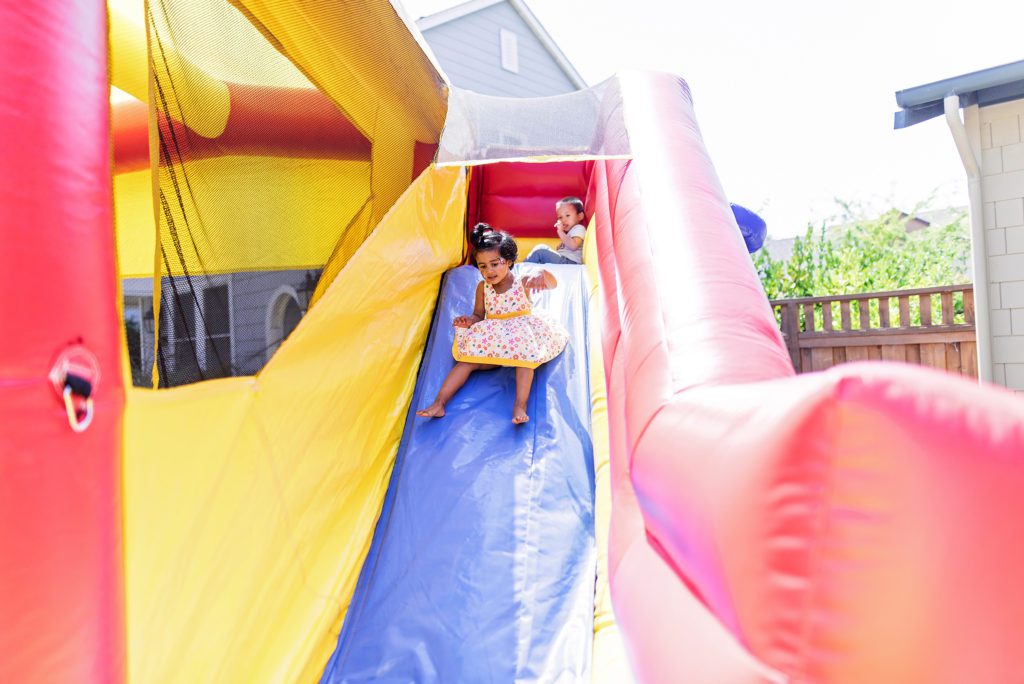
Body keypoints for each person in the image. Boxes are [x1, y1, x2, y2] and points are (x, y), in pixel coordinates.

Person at [416, 223, 569, 424]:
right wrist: (469, 320)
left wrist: (542, 274)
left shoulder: (522, 282)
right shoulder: (483, 287)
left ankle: (519, 405)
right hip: (495, 340)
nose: (489, 271)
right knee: (466, 362)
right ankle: (439, 403)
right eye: (483, 266)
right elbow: (479, 314)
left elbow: (552, 284)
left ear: (508, 261)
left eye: (495, 264)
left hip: (521, 337)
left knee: (525, 363)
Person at [524, 196, 587, 265]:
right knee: (541, 247)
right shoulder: (570, 232)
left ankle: (520, 270)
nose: (563, 220)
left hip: (570, 262)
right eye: (560, 217)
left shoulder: (579, 228)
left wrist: (560, 232)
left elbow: (573, 246)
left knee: (540, 252)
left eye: (568, 215)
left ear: (580, 216)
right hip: (564, 260)